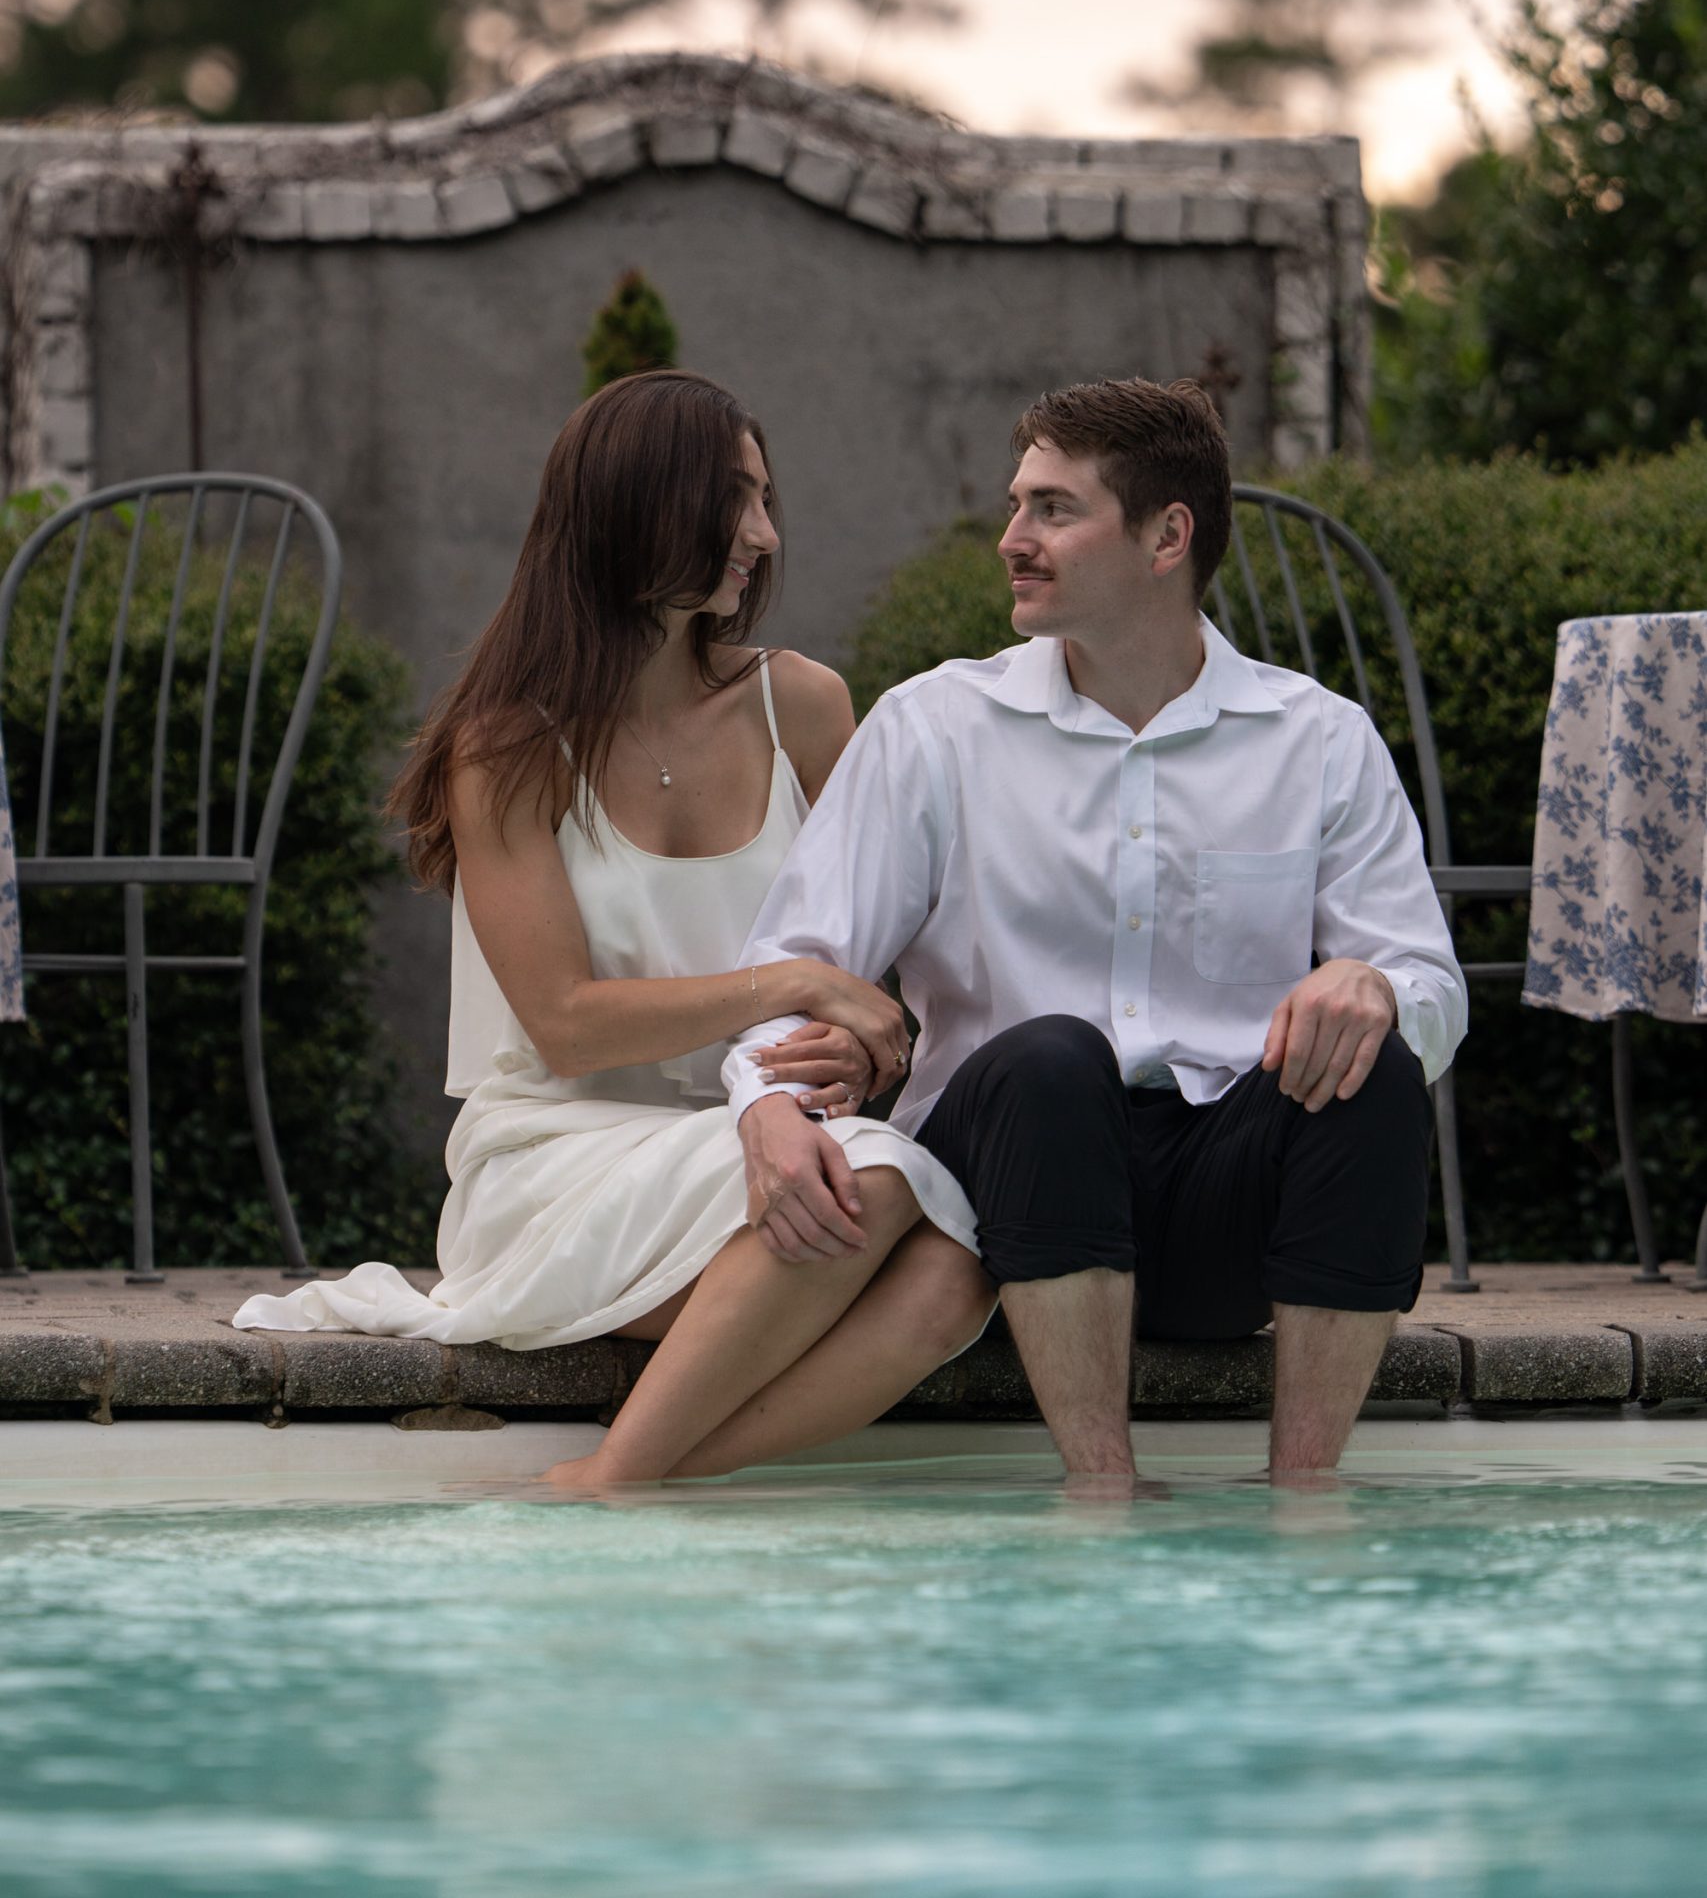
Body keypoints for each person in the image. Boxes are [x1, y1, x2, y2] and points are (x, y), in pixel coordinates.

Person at [234, 371, 992, 1483]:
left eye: (765, 498)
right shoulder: (506, 746)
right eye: (735, 499)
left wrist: (854, 1040)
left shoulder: (804, 706)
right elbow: (567, 1024)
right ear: (642, 504)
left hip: (766, 1136)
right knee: (871, 1186)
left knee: (956, 1272)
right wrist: (794, 988)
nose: (765, 533)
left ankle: (625, 1481)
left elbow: (886, 967)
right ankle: (624, 1480)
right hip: (558, 1158)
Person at [723, 374, 1468, 1489]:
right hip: (1000, 1193)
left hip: (1218, 1211)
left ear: (1167, 537)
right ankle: (1101, 1489)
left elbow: (1431, 985)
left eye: (1054, 509)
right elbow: (799, 964)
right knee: (1054, 1055)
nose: (1012, 539)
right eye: (1016, 505)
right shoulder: (936, 727)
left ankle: (1305, 1500)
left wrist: (1376, 987)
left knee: (1378, 1064)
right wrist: (768, 1108)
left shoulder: (1317, 738)